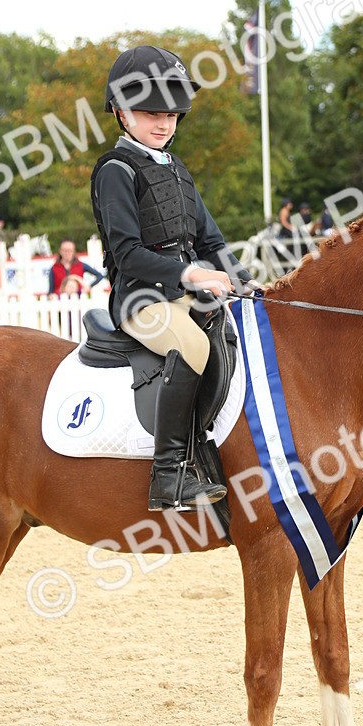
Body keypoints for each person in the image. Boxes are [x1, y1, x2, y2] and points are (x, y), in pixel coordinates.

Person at [91, 45, 254, 512]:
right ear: (122, 113)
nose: (163, 124)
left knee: (234, 336)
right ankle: (169, 475)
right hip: (140, 300)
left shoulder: (176, 168)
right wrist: (192, 273)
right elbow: (127, 253)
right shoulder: (115, 170)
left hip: (184, 293)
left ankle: (208, 450)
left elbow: (211, 238)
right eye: (149, 113)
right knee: (193, 348)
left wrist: (246, 282)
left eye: (172, 114)